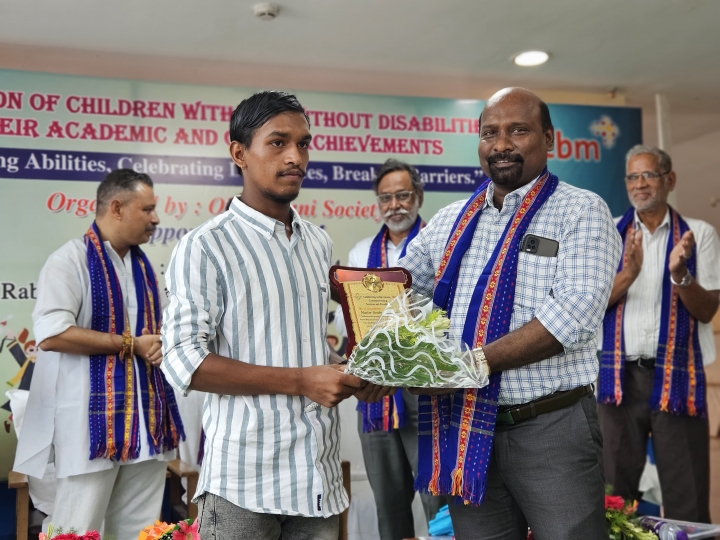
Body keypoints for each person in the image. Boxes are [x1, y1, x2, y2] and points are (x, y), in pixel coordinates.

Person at [161, 91, 388, 540]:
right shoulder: (205, 246)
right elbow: (183, 361)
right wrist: (302, 381)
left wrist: (351, 375)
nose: (295, 157)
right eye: (278, 143)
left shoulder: (317, 243)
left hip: (316, 478)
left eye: (303, 144)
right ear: (239, 153)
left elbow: (301, 345)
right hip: (244, 482)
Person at [398, 87, 622, 540]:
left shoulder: (581, 211)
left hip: (551, 430)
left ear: (549, 138)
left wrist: (469, 364)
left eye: (518, 130)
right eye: (490, 133)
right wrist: (365, 321)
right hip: (466, 428)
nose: (501, 144)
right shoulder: (450, 220)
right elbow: (400, 290)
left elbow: (572, 317)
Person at [14, 169, 184, 539]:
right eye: (148, 209)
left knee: (141, 532)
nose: (156, 219)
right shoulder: (69, 260)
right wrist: (131, 344)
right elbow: (52, 334)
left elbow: (157, 332)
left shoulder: (145, 269)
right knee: (77, 529)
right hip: (91, 429)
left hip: (147, 425)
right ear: (117, 208)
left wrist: (161, 344)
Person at [598, 145, 720, 523]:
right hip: (618, 381)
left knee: (687, 495)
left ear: (670, 180)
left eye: (648, 175)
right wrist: (629, 274)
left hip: (678, 379)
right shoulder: (609, 233)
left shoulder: (699, 234)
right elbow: (590, 306)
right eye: (632, 177)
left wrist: (681, 274)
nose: (640, 184)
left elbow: (706, 310)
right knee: (613, 495)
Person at [333, 158, 443, 540]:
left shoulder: (439, 246)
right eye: (385, 198)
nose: (394, 205)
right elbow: (346, 319)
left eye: (402, 195)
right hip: (375, 389)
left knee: (436, 497)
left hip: (425, 385)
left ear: (418, 197)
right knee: (389, 502)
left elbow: (445, 312)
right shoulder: (362, 253)